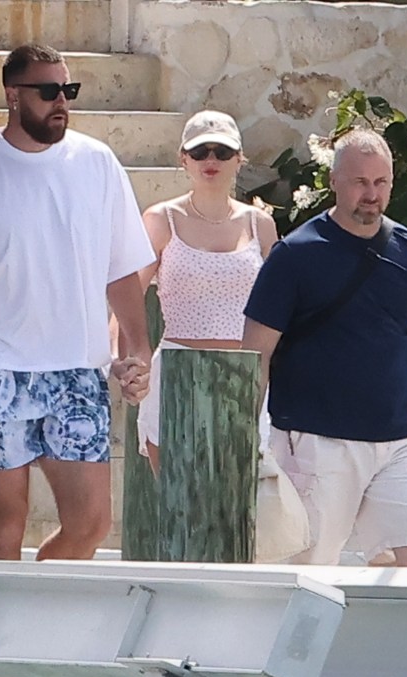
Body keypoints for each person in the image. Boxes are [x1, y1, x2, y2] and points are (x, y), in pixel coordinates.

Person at [0, 43, 155, 561]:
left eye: (68, 90)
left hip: (76, 369)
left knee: (91, 523)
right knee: (5, 527)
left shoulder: (98, 163)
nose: (60, 102)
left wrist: (139, 351)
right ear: (12, 95)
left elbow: (122, 270)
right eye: (47, 92)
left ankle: (34, 619)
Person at [242, 127, 407, 568]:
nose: (371, 193)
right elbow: (255, 354)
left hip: (401, 439)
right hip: (315, 441)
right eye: (360, 182)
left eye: (380, 182)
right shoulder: (295, 256)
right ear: (335, 182)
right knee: (306, 573)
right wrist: (246, 435)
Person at [134, 110, 277, 474]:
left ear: (239, 160)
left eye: (221, 152)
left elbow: (279, 309)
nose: (210, 160)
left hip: (245, 379)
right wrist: (125, 359)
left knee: (240, 507)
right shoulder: (160, 219)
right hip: (176, 377)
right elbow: (129, 296)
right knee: (177, 506)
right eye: (199, 152)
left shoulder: (260, 225)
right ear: (184, 159)